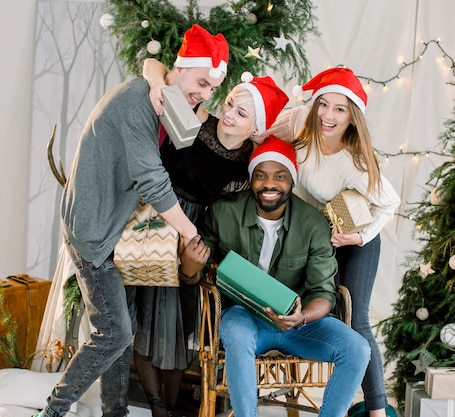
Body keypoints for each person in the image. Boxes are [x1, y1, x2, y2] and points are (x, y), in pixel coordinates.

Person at [35, 24, 228, 417]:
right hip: (92, 231)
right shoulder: (139, 102)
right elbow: (152, 180)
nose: (206, 94)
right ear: (182, 68)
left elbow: (154, 66)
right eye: (203, 82)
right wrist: (189, 232)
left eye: (212, 88)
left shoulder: (161, 96)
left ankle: (115, 411)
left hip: (112, 227)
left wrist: (156, 74)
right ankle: (51, 412)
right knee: (116, 332)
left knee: (120, 334)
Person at [134, 65, 290, 417]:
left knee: (181, 319)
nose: (229, 115)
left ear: (256, 126)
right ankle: (157, 407)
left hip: (197, 233)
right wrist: (159, 83)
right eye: (231, 103)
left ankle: (170, 407)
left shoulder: (250, 160)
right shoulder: (198, 118)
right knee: (146, 316)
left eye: (242, 112)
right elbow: (152, 65)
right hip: (155, 216)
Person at [198, 137, 371, 417]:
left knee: (358, 349)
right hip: (245, 318)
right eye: (261, 176)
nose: (269, 184)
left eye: (280, 176)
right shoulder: (223, 212)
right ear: (251, 180)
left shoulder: (312, 224)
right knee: (236, 331)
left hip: (299, 324)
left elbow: (324, 292)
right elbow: (201, 272)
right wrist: (191, 265)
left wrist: (300, 318)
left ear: (292, 182)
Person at [263, 67, 401, 417]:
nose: (328, 115)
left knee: (356, 321)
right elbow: (261, 136)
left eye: (340, 109)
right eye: (324, 104)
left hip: (356, 240)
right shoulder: (299, 122)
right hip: (320, 237)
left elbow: (390, 203)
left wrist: (360, 236)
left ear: (352, 116)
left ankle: (377, 410)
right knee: (325, 312)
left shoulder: (354, 161)